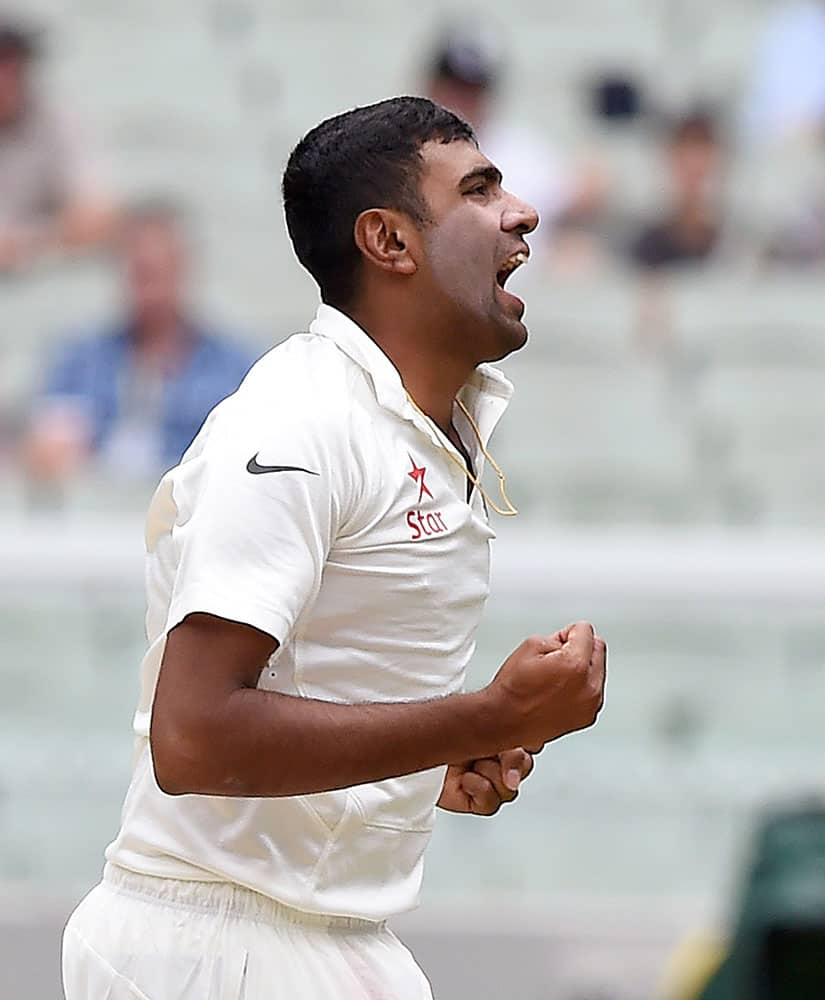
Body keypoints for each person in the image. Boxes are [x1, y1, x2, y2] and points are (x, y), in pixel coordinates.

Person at [61, 96, 607, 1000]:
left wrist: (427, 767)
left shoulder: (418, 422)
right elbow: (192, 739)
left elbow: (307, 689)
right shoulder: (298, 421)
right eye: (478, 189)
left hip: (319, 940)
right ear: (389, 242)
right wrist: (485, 717)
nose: (522, 212)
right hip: (210, 950)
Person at [24, 200, 256, 486]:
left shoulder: (233, 366)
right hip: (96, 513)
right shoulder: (79, 360)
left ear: (183, 270)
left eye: (159, 273)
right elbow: (48, 442)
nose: (151, 290)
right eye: (140, 274)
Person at [424, 24, 607, 254]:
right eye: (453, 88)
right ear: (432, 85)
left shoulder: (525, 154)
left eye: (472, 91)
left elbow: (588, 194)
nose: (461, 101)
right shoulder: (402, 150)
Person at [0, 11, 115, 273]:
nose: (3, 77)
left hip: (38, 279)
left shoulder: (56, 118)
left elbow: (99, 216)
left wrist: (24, 244)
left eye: (9, 62)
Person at [630, 111, 726, 272]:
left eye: (703, 156)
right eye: (684, 157)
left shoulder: (738, 244)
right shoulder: (641, 245)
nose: (694, 168)